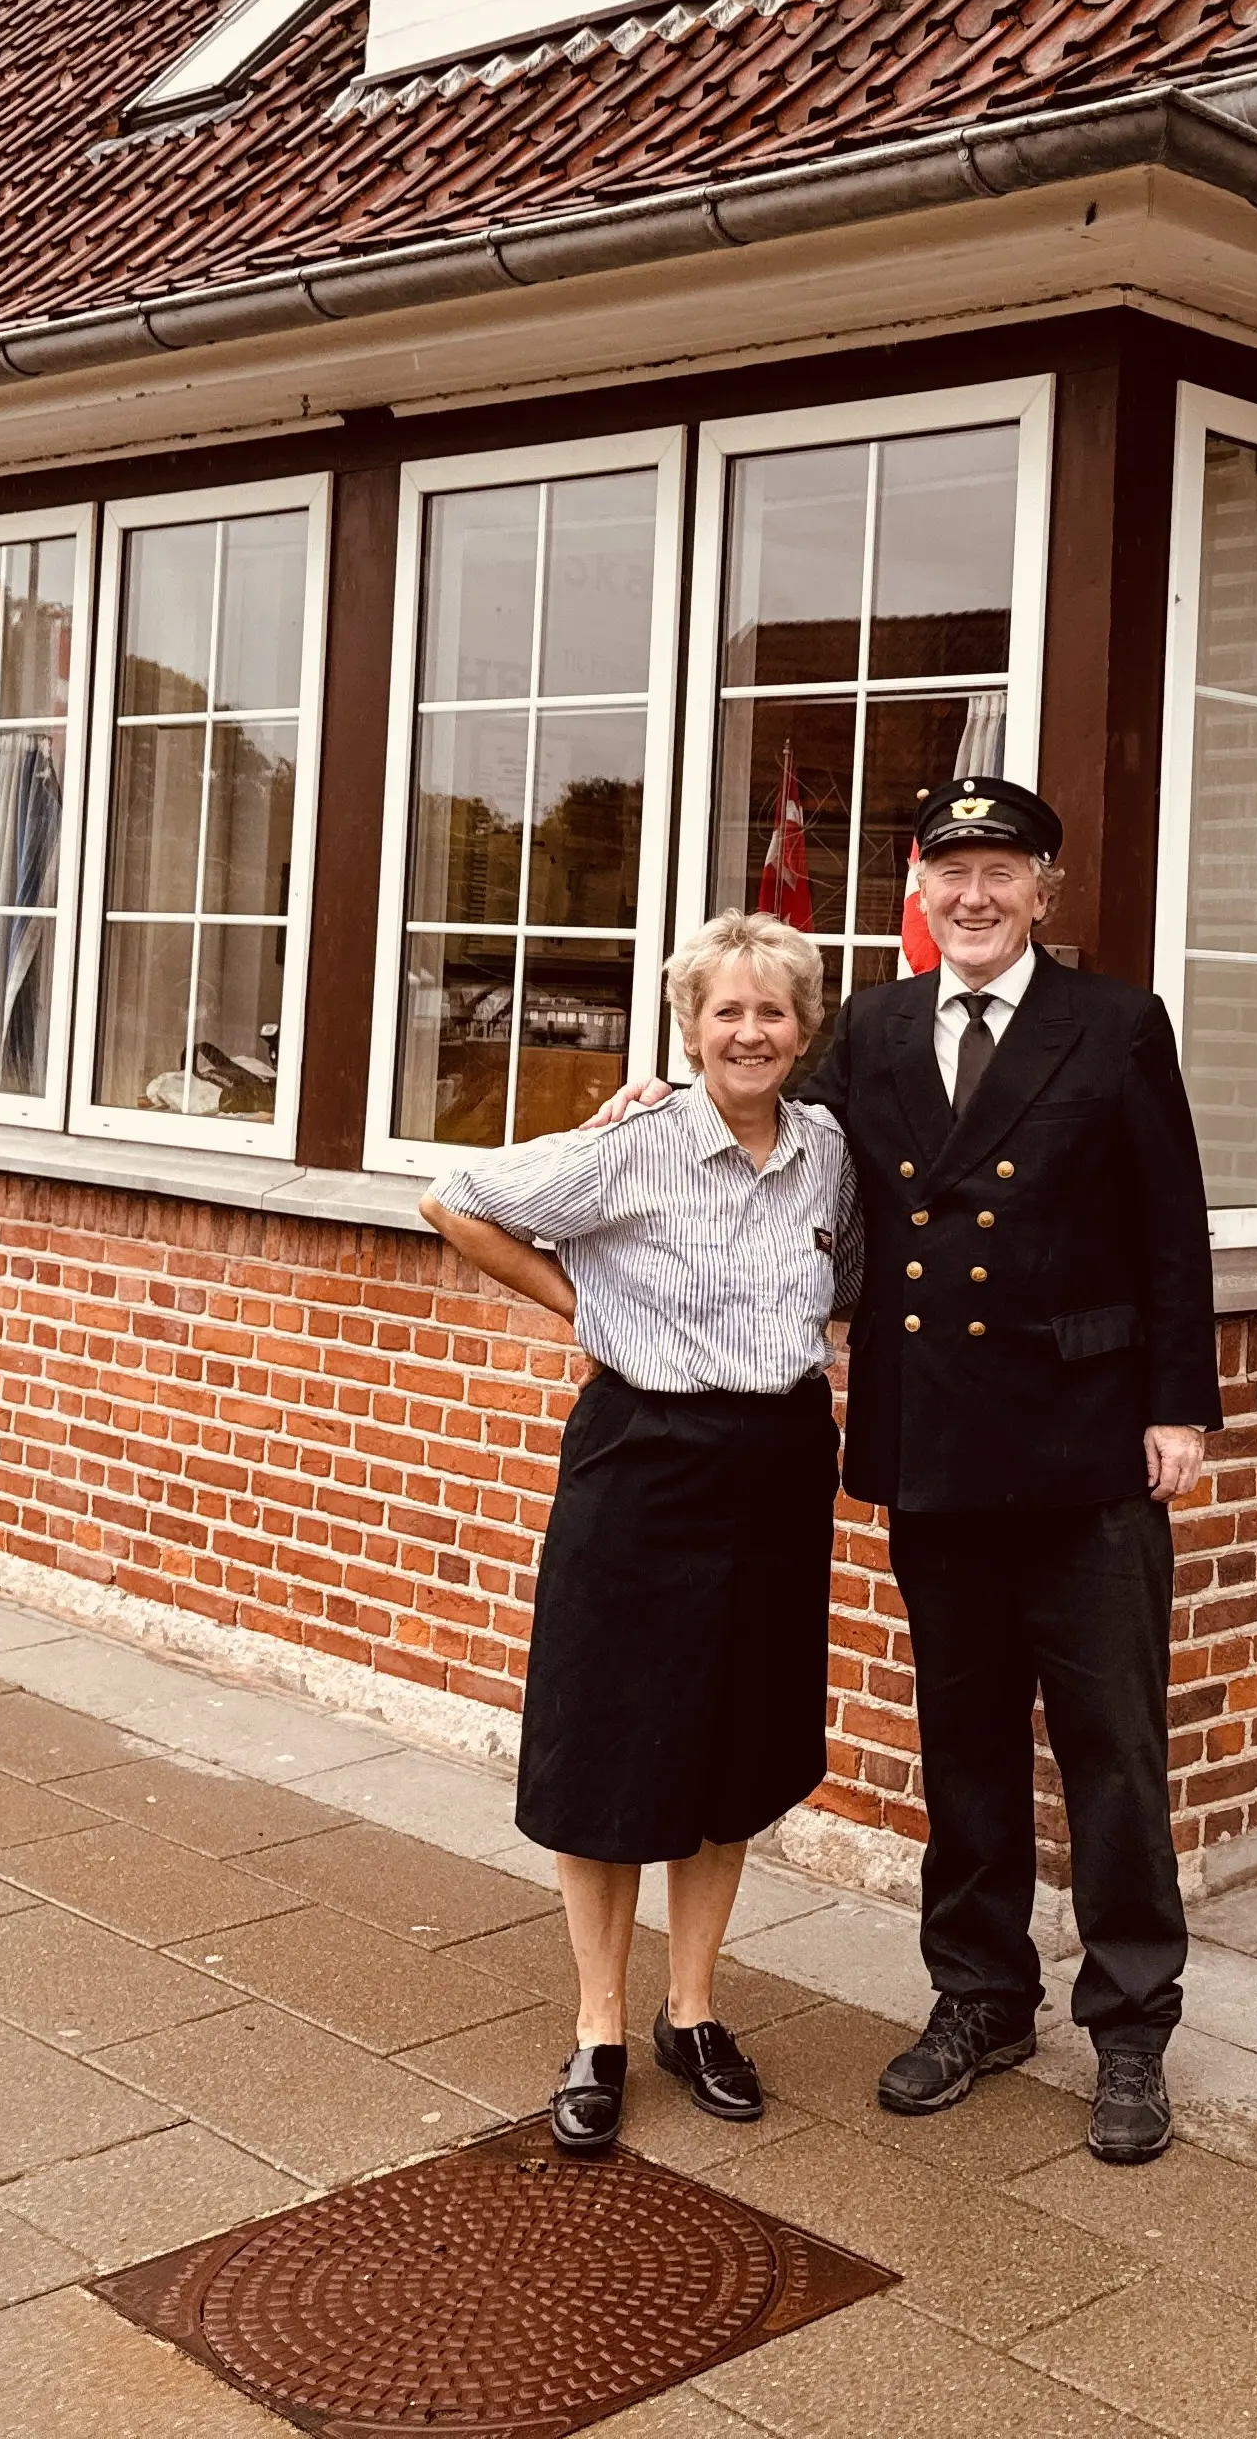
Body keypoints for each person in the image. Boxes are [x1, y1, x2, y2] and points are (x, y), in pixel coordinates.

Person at [617, 773, 1220, 2165]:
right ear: (922, 893)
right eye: (950, 871)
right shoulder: (875, 1027)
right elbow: (763, 1119)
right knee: (963, 1744)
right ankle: (981, 1997)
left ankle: (1130, 2025)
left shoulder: (1116, 1024)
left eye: (1001, 870)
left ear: (1044, 890)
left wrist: (1179, 1406)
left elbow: (1170, 1226)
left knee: (1115, 1752)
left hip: (1085, 1448)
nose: (974, 893)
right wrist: (670, 1094)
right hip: (938, 1435)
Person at [419, 908, 857, 2161]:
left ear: (804, 1027)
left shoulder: (828, 1151)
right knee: (609, 1739)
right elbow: (454, 1196)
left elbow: (866, 1273)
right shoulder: (637, 1143)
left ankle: (694, 2010)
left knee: (731, 1741)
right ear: (690, 1025)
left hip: (776, 1461)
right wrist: (581, 1300)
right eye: (727, 1011)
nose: (750, 1033)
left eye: (772, 1011)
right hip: (642, 1461)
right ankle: (600, 2026)